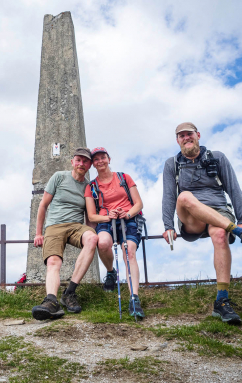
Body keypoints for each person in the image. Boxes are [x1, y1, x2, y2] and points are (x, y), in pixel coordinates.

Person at [162, 122, 242, 324]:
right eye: (181, 135)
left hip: (219, 211)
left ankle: (222, 301)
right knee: (184, 197)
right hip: (192, 219)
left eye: (189, 134)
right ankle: (234, 230)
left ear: (198, 135)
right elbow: (169, 196)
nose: (186, 138)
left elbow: (233, 187)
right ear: (177, 140)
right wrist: (168, 226)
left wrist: (241, 219)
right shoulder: (172, 164)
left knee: (220, 234)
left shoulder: (217, 157)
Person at [31, 148, 99, 321]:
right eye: (78, 160)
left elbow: (89, 216)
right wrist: (38, 233)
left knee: (92, 238)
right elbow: (43, 205)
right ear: (72, 162)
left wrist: (90, 230)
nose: (81, 164)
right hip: (54, 225)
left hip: (76, 226)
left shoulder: (88, 186)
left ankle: (69, 293)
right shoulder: (59, 177)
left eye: (85, 161)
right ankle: (51, 301)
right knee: (54, 261)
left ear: (89, 165)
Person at [85, 147, 145, 318]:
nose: (100, 161)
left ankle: (134, 298)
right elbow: (91, 215)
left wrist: (127, 214)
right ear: (93, 164)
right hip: (106, 221)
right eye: (96, 159)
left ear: (109, 159)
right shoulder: (92, 186)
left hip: (129, 218)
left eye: (103, 157)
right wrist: (108, 216)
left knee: (129, 252)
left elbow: (138, 204)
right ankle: (111, 272)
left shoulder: (124, 178)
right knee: (102, 243)